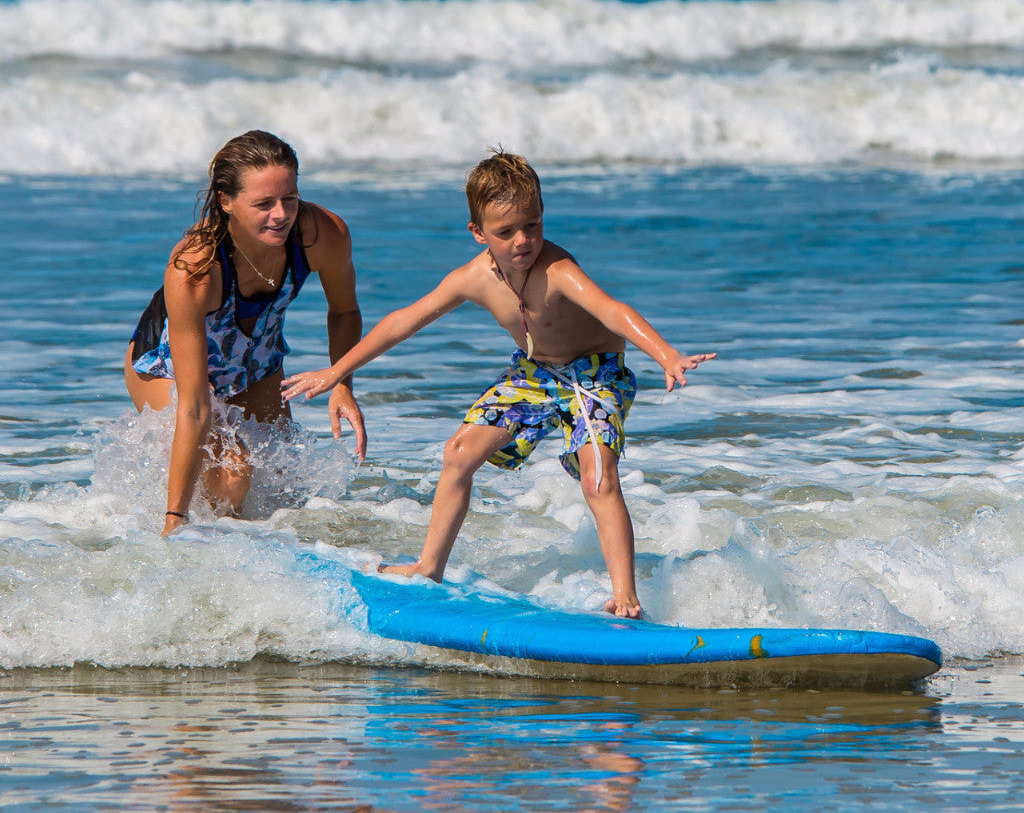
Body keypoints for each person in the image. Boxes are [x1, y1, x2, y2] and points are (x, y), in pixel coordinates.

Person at [281, 151, 715, 618]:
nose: (523, 240)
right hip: (534, 374)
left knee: (598, 477)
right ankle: (428, 567)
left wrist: (666, 354)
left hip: (596, 374)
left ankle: (626, 597)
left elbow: (613, 310)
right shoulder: (474, 278)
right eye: (505, 232)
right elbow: (402, 321)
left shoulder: (558, 271)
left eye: (532, 224)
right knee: (459, 453)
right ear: (478, 232)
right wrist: (336, 372)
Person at [125, 130, 366, 536]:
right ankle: (189, 541)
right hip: (167, 367)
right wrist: (174, 523)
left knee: (284, 483)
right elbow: (195, 406)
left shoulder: (322, 234)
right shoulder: (196, 268)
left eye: (289, 198)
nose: (281, 215)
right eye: (263, 204)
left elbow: (344, 311)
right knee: (232, 477)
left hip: (257, 365)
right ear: (226, 201)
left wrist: (341, 382)